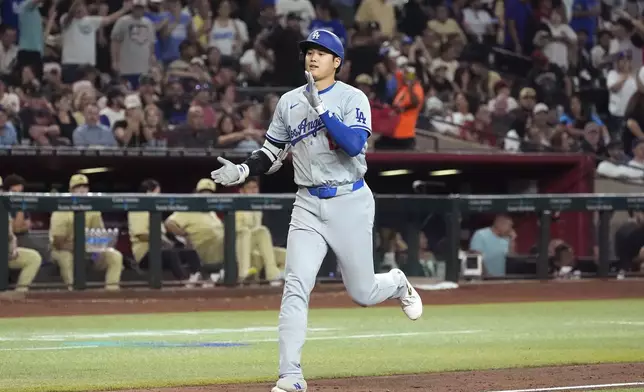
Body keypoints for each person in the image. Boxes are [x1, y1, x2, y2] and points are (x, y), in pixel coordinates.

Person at [210, 29, 422, 392]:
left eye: (322, 52)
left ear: (337, 61)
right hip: (307, 203)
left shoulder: (352, 97)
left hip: (349, 201)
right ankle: (291, 375)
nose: (313, 56)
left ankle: (397, 283)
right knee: (295, 285)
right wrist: (243, 170)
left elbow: (355, 144)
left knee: (362, 293)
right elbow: (272, 150)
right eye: (309, 51)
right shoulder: (289, 102)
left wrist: (321, 108)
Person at [49, 174, 123, 290]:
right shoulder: (61, 211)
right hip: (63, 250)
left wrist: (102, 243)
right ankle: (72, 290)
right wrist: (82, 246)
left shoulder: (93, 210)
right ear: (70, 191)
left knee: (115, 256)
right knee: (66, 258)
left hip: (88, 249)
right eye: (78, 187)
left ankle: (111, 290)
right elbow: (58, 243)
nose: (82, 190)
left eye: (84, 187)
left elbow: (99, 237)